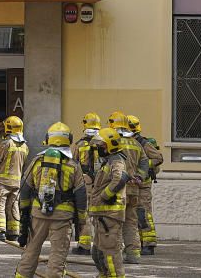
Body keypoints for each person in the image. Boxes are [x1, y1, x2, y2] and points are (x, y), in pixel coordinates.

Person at [14, 122, 86, 278]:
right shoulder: (73, 166)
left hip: (38, 215)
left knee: (31, 251)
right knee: (57, 257)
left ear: (47, 139)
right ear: (69, 140)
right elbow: (81, 194)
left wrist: (25, 212)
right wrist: (81, 219)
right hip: (62, 217)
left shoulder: (36, 162)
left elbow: (25, 188)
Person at [107, 111, 148, 265]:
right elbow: (145, 163)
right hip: (134, 189)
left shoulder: (113, 142)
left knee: (115, 222)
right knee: (131, 222)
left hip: (118, 189)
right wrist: (140, 176)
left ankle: (115, 253)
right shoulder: (136, 144)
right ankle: (133, 254)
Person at [89, 127, 129, 278]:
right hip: (102, 215)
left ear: (110, 146)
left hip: (110, 216)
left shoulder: (117, 161)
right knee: (98, 253)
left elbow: (119, 179)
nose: (99, 149)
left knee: (110, 254)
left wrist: (103, 197)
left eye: (102, 146)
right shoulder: (108, 161)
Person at [0, 115, 29, 242]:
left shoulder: (6, 143)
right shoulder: (24, 146)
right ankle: (14, 232)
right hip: (16, 182)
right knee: (13, 205)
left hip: (2, 181)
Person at [127, 114, 164, 255]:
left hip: (143, 185)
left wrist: (142, 167)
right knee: (133, 215)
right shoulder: (128, 142)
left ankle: (149, 244)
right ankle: (139, 243)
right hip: (133, 184)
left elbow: (158, 158)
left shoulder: (143, 143)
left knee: (144, 214)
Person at [73, 112, 101, 255]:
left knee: (85, 212)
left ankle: (84, 245)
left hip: (86, 181)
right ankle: (101, 244)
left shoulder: (79, 144)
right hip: (102, 182)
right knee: (101, 213)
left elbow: (73, 164)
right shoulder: (104, 142)